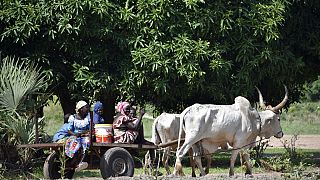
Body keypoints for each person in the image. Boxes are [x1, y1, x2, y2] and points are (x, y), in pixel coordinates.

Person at [65, 100, 91, 172]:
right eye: (86, 108)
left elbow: (90, 129)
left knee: (86, 142)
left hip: (85, 136)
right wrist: (75, 134)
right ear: (81, 109)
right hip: (75, 136)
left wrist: (84, 133)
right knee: (75, 143)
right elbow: (69, 130)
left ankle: (82, 162)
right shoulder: (73, 118)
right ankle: (71, 161)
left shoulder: (88, 118)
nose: (88, 109)